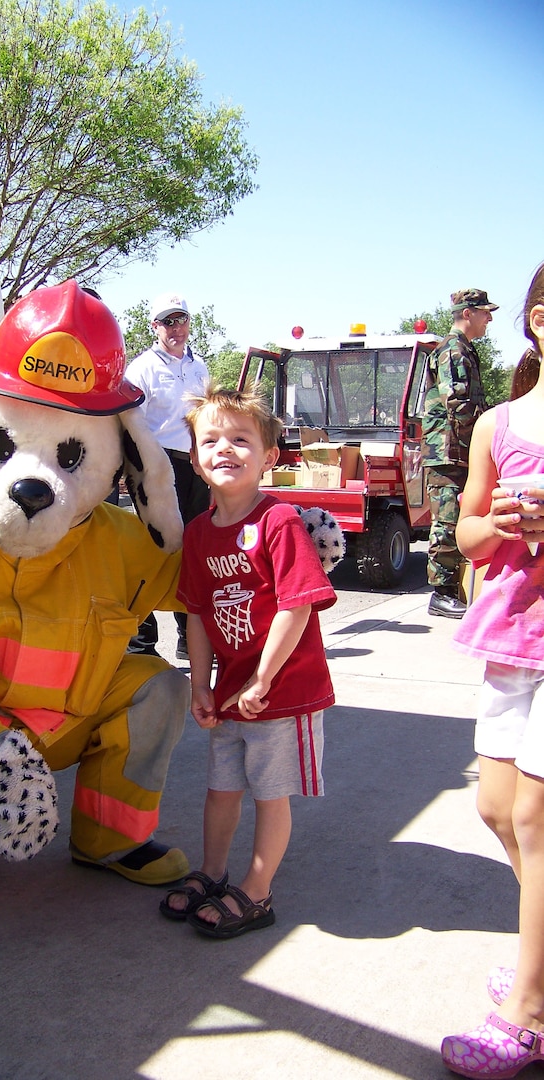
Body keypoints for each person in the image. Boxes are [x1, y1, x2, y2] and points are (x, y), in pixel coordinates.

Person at [158, 385, 336, 939]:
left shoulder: (278, 521)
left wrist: (264, 678)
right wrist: (199, 684)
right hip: (232, 692)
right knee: (221, 788)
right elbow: (198, 614)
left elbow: (297, 605)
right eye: (211, 440)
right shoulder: (197, 534)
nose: (225, 450)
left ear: (269, 457)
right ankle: (213, 873)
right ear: (195, 459)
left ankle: (257, 891)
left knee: (269, 792)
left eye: (241, 439)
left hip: (283, 693)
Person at [440, 264, 544, 1078]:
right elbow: (467, 536)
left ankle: (531, 1009)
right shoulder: (498, 423)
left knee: (539, 821)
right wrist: (498, 520)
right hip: (512, 635)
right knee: (495, 810)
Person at [125, 292, 210, 659]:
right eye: (167, 322)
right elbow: (130, 422)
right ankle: (142, 644)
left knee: (192, 550)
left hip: (194, 466)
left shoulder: (199, 367)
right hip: (156, 467)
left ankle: (188, 638)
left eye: (181, 320)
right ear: (155, 327)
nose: (176, 328)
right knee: (151, 550)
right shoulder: (141, 368)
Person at [423, 287, 497, 619]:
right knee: (448, 519)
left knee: (455, 516)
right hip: (450, 450)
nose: (489, 318)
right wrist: (488, 443)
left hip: (456, 449)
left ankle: (453, 588)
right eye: (485, 312)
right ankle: (442, 593)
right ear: (468, 313)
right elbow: (461, 407)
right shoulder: (453, 350)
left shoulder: (462, 349)